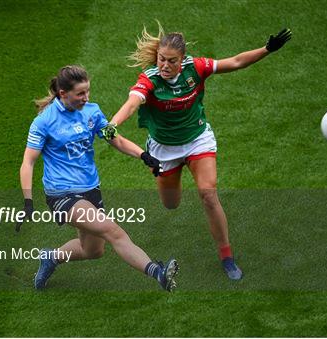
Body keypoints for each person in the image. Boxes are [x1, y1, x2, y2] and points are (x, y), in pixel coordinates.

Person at [109, 24, 292, 280]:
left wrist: (268, 49)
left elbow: (237, 62)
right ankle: (173, 174)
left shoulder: (197, 67)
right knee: (170, 204)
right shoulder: (149, 79)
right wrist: (112, 125)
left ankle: (227, 256)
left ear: (182, 59)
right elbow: (131, 104)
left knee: (208, 194)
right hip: (164, 149)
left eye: (172, 61)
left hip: (197, 140)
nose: (165, 65)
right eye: (162, 59)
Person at [16, 65, 178, 291]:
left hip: (91, 190)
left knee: (93, 250)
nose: (86, 97)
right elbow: (28, 162)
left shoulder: (92, 112)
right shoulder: (44, 122)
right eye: (80, 93)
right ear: (63, 93)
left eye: (88, 91)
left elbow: (116, 140)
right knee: (113, 231)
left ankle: (51, 257)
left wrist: (143, 155)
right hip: (62, 195)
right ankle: (157, 272)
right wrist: (28, 201)